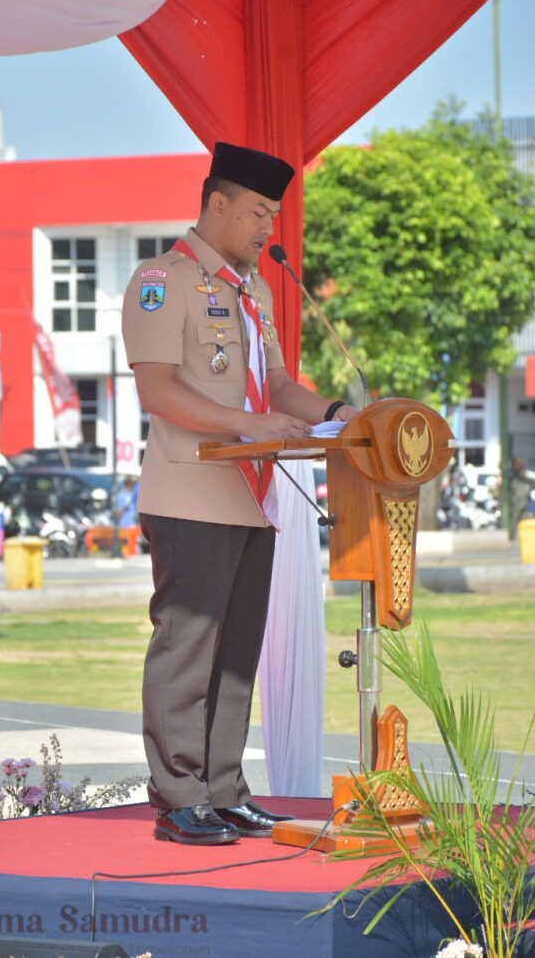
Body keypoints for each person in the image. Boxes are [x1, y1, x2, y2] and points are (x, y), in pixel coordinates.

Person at [122, 141, 356, 846]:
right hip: (192, 493)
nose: (267, 229)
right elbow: (158, 388)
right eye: (258, 212)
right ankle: (178, 794)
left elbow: (278, 385)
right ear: (217, 204)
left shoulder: (251, 291)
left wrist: (338, 418)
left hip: (252, 494)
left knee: (235, 653)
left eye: (273, 216)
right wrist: (248, 423)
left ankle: (223, 789)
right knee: (188, 649)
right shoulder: (160, 279)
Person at [509, 456, 531, 540]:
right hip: (516, 501)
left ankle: (524, 536)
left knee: (523, 519)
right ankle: (511, 535)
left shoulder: (522, 473)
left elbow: (526, 480)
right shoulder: (514, 474)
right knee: (514, 519)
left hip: (523, 500)